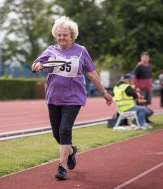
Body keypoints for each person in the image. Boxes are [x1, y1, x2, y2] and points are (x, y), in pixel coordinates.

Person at [31, 16, 113, 180]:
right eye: (59, 35)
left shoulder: (81, 51)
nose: (61, 38)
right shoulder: (51, 51)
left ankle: (61, 167)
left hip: (73, 97)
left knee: (65, 130)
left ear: (72, 35)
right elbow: (36, 64)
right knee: (57, 134)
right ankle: (71, 150)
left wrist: (104, 93)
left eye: (65, 35)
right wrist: (37, 66)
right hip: (54, 97)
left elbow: (91, 73)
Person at [134, 51, 153, 123]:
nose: (146, 58)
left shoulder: (149, 66)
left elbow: (150, 76)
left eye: (147, 57)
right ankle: (139, 119)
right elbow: (135, 78)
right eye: (144, 57)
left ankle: (146, 118)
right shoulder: (139, 66)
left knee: (147, 103)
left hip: (148, 88)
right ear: (141, 58)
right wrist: (137, 88)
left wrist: (151, 84)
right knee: (141, 103)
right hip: (141, 89)